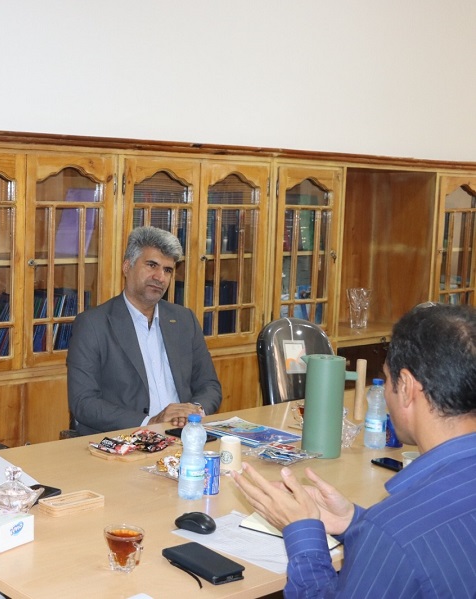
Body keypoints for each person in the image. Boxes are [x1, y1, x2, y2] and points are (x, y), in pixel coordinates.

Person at [230, 303, 476, 598]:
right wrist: (354, 522)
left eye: (387, 379)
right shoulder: (395, 529)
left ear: (407, 387)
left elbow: (401, 539)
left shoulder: (393, 532)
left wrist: (302, 532)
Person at [67, 226, 222, 436]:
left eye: (168, 270)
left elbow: (209, 385)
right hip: (127, 439)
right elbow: (83, 402)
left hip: (183, 433)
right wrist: (150, 422)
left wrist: (193, 412)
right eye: (152, 265)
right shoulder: (93, 324)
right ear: (127, 267)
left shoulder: (184, 319)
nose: (160, 277)